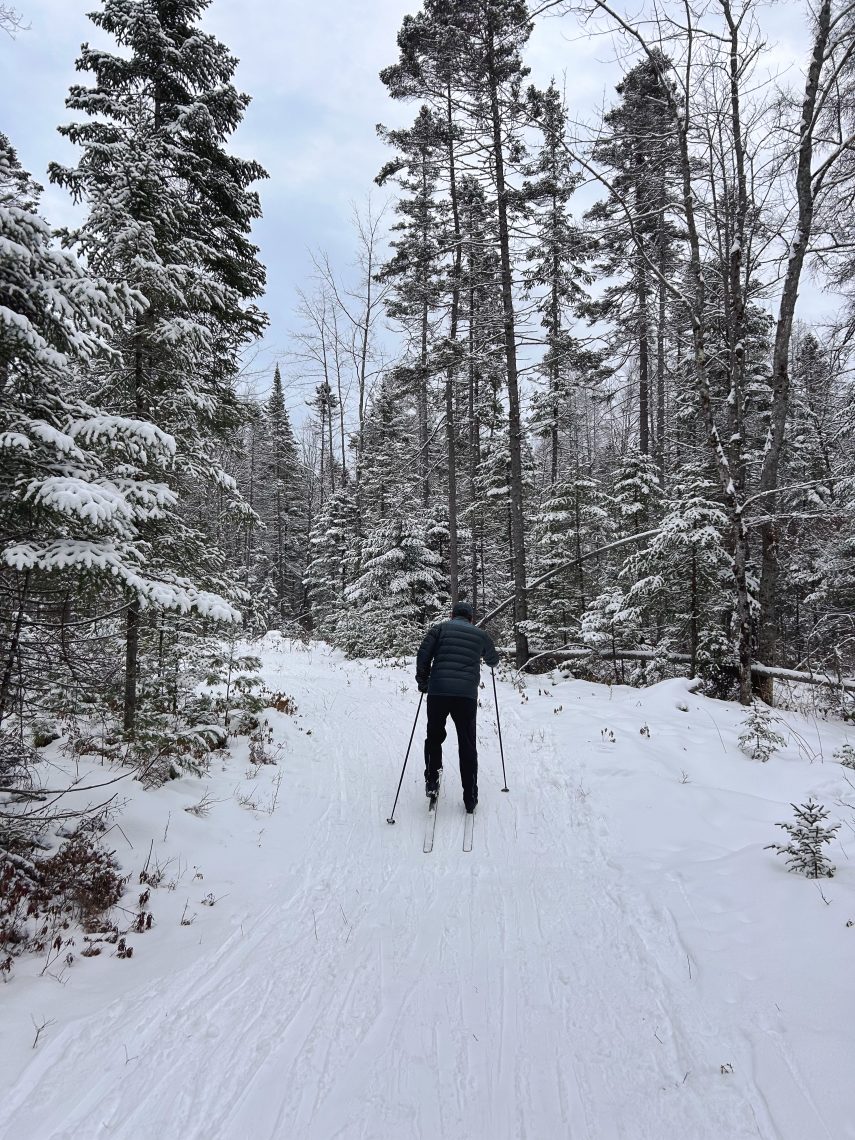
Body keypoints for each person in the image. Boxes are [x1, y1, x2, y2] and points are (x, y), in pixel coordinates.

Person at [415, 600, 499, 814]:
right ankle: (470, 796)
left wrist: (422, 680)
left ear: (453, 615)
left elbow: (423, 653)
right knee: (467, 742)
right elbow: (493, 660)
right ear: (470, 618)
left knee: (434, 736)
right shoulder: (480, 634)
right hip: (466, 696)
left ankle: (432, 780)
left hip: (439, 691)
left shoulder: (439, 629)